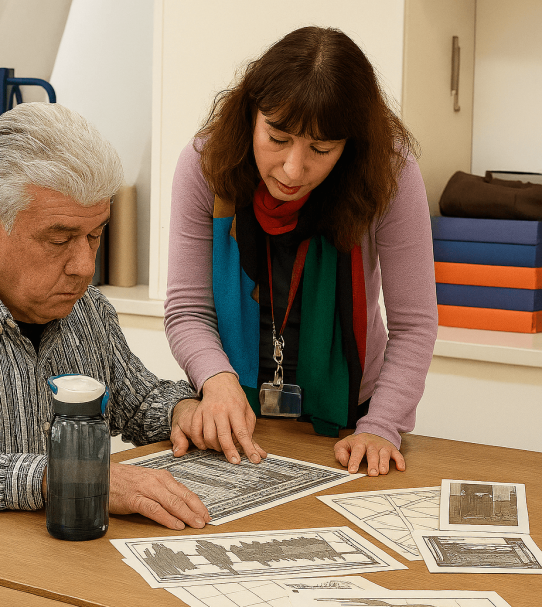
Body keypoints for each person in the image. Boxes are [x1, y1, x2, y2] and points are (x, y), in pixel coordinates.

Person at [165, 26, 438, 477]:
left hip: (351, 418)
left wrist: (382, 425)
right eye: (277, 138)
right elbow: (188, 309)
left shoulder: (389, 172)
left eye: (321, 149)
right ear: (251, 115)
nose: (293, 168)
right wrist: (215, 379)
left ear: (349, 147)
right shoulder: (204, 165)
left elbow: (414, 324)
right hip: (233, 408)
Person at [0, 102, 212, 530]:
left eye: (94, 234)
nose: (85, 266)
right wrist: (59, 477)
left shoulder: (89, 311)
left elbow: (138, 401)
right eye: (60, 239)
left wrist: (187, 411)